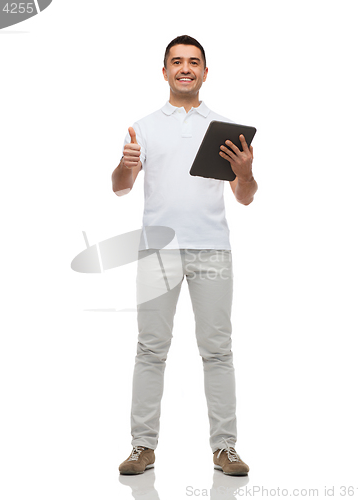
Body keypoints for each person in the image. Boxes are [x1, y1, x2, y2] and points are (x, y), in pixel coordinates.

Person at [112, 35, 258, 476]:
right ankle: (142, 446)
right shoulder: (143, 127)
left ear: (205, 73)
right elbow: (120, 186)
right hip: (158, 250)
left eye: (194, 62)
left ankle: (225, 448)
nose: (185, 68)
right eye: (177, 62)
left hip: (212, 249)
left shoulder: (226, 129)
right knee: (150, 350)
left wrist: (245, 172)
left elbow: (246, 197)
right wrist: (126, 164)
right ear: (165, 72)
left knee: (217, 351)